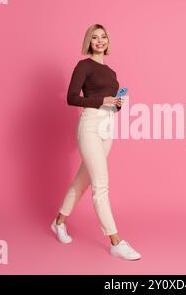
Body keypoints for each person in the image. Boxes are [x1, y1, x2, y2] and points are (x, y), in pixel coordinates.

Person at [51, 24, 141, 260]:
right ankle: (115, 241)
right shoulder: (84, 66)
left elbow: (109, 102)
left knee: (83, 182)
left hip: (107, 126)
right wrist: (103, 99)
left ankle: (59, 222)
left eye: (103, 37)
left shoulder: (111, 72)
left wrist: (116, 104)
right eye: (94, 37)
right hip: (90, 126)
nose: (99, 41)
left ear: (108, 41)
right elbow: (71, 98)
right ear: (88, 42)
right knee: (101, 185)